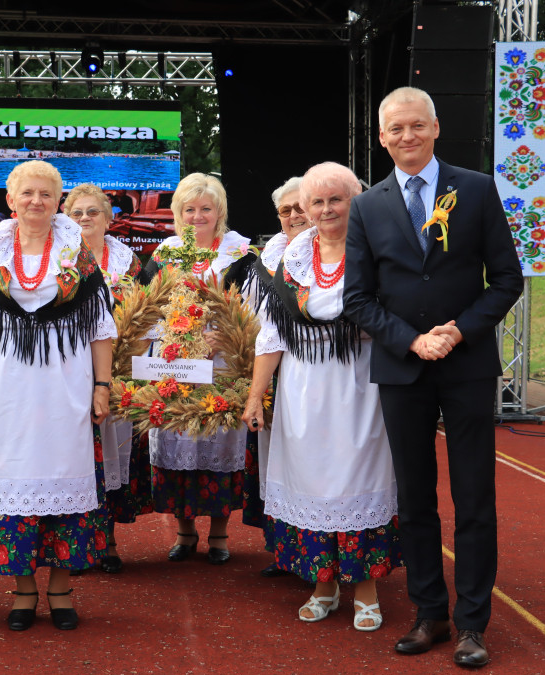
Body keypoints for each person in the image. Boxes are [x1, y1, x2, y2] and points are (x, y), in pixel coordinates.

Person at [343, 87, 524, 666]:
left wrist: (458, 331)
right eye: (395, 129)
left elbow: (505, 279)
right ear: (381, 137)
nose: (407, 137)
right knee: (415, 499)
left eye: (416, 126)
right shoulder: (367, 207)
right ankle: (431, 615)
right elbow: (358, 298)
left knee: (475, 498)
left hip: (467, 366)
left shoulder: (475, 189)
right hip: (402, 369)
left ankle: (473, 623)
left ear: (436, 128)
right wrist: (410, 339)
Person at [241, 162, 403, 632]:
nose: (326, 209)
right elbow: (270, 334)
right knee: (310, 480)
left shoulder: (378, 250)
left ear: (358, 200)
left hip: (361, 384)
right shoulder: (291, 257)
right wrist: (256, 394)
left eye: (337, 198)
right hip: (302, 388)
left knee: (358, 479)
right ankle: (324, 584)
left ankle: (367, 589)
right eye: (317, 201)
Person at [0, 161, 115, 631]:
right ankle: (24, 591)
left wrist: (102, 385)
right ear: (10, 201)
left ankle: (62, 590)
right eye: (26, 193)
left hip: (65, 386)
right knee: (13, 482)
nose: (35, 201)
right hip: (5, 389)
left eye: (46, 195)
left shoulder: (78, 255)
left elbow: (101, 328)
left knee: (65, 478)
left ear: (57, 202)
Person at [141, 172, 256, 565]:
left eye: (205, 209)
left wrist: (222, 337)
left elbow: (252, 311)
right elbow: (145, 308)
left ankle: (220, 536)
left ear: (219, 211)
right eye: (189, 209)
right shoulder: (163, 254)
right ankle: (184, 533)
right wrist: (175, 337)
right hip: (173, 362)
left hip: (223, 362)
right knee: (177, 440)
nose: (196, 217)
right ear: (177, 213)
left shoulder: (240, 254)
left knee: (218, 439)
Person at [63, 183, 151, 574]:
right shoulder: (58, 258)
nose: (84, 219)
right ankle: (76, 542)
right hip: (65, 368)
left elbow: (147, 313)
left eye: (92, 212)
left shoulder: (129, 262)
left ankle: (109, 539)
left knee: (114, 452)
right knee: (73, 454)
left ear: (109, 218)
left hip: (116, 368)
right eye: (77, 212)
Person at [241, 176, 307, 578]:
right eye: (286, 210)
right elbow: (249, 322)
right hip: (271, 375)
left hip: (313, 370)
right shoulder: (264, 263)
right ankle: (285, 550)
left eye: (301, 207)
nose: (295, 215)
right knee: (276, 463)